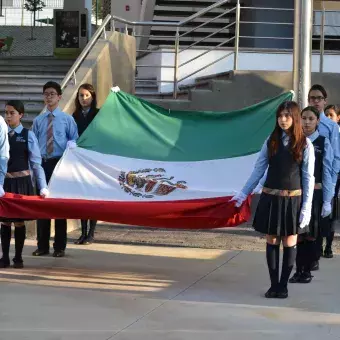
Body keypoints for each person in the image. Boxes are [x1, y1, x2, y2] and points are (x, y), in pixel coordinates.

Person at [231, 101, 315, 299]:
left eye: (287, 115)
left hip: (292, 200)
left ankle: (283, 285)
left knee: (289, 240)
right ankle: (273, 284)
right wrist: (244, 193)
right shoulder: (271, 140)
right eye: (280, 116)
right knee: (272, 240)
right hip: (271, 197)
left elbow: (308, 178)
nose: (283, 119)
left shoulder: (305, 144)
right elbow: (259, 169)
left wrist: (307, 207)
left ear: (294, 118)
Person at [32, 81, 78, 258]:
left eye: (52, 94)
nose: (49, 97)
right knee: (41, 206)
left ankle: (59, 246)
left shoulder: (67, 119)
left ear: (59, 97)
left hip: (60, 164)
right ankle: (42, 245)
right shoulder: (38, 121)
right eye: (46, 94)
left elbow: (75, 141)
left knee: (59, 206)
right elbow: (33, 144)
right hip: (43, 164)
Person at [0, 100, 49, 268]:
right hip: (4, 182)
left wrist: (42, 185)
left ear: (21, 115)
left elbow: (36, 163)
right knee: (4, 221)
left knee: (19, 222)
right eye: (6, 113)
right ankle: (4, 257)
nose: (8, 116)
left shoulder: (28, 136)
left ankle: (18, 257)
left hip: (21, 182)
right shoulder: (1, 134)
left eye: (12, 113)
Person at [289, 106, 333, 283]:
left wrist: (328, 200)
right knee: (296, 234)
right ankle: (297, 270)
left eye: (311, 119)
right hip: (296, 194)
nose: (307, 122)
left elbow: (328, 172)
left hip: (315, 195)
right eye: (304, 118)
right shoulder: (294, 141)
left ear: (317, 122)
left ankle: (306, 270)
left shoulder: (324, 142)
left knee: (311, 234)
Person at [308, 85, 340, 266]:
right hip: (304, 176)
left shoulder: (331, 126)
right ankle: (306, 255)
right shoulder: (302, 121)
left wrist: (332, 184)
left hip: (323, 178)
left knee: (321, 218)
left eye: (319, 98)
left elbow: (336, 156)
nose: (316, 101)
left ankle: (317, 254)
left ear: (325, 101)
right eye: (312, 98)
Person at [72, 84, 99, 245]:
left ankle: (91, 232)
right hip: (79, 160)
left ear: (92, 97)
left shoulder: (98, 114)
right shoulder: (74, 115)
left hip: (93, 159)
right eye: (81, 96)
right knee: (82, 196)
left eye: (86, 95)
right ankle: (82, 232)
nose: (83, 98)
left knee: (93, 196)